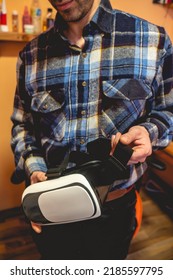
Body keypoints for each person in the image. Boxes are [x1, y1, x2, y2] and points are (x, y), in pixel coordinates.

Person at [10, 0, 173, 260]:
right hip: (52, 204)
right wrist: (34, 166)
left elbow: (168, 110)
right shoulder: (30, 56)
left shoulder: (152, 40)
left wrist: (150, 132)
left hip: (116, 209)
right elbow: (23, 125)